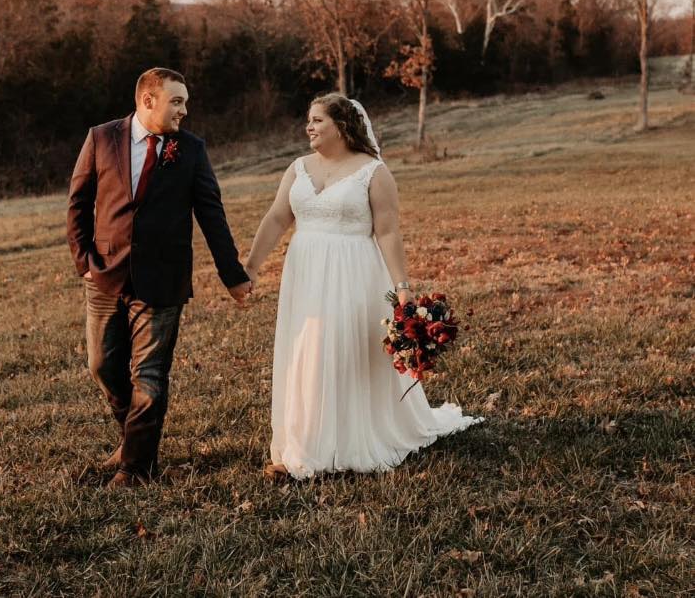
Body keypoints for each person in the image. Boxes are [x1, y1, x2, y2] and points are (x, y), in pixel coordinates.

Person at [245, 93, 482, 480]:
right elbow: (276, 218)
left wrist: (402, 287)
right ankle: (303, 443)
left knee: (340, 348)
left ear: (342, 125)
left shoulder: (373, 172)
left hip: (352, 273)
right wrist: (251, 266)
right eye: (309, 120)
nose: (310, 127)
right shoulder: (298, 168)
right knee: (306, 350)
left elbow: (387, 233)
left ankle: (344, 440)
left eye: (318, 120)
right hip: (305, 271)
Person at [67, 67, 253, 487]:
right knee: (102, 366)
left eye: (185, 102)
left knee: (149, 377)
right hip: (104, 276)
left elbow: (211, 213)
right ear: (148, 100)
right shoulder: (101, 138)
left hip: (163, 281)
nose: (184, 111)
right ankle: (132, 436)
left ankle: (136, 468)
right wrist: (85, 264)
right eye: (177, 101)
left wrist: (232, 274)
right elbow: (78, 203)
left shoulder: (190, 149)